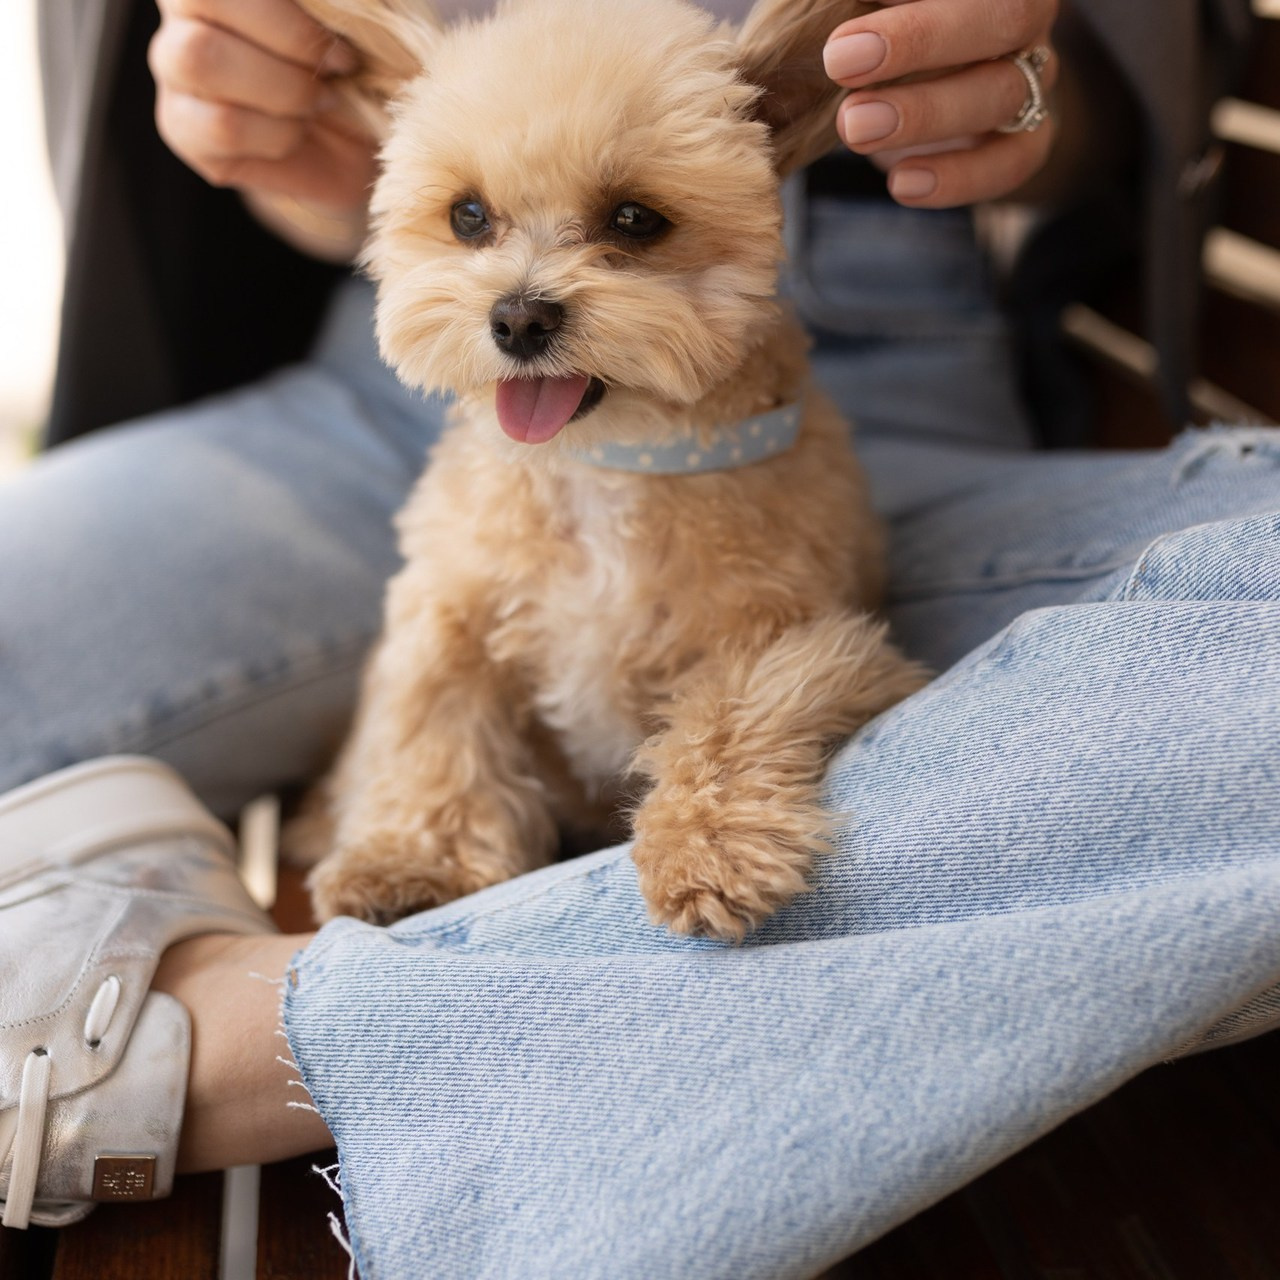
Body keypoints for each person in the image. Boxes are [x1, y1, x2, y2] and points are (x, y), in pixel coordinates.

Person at [2, 0, 1277, 1274]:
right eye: (474, 215)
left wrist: (1024, 94)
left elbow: (1126, 78)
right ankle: (597, 979)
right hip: (389, 389)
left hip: (885, 384)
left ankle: (258, 1037)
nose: (532, 289)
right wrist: (276, 141)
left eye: (628, 221)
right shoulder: (475, 314)